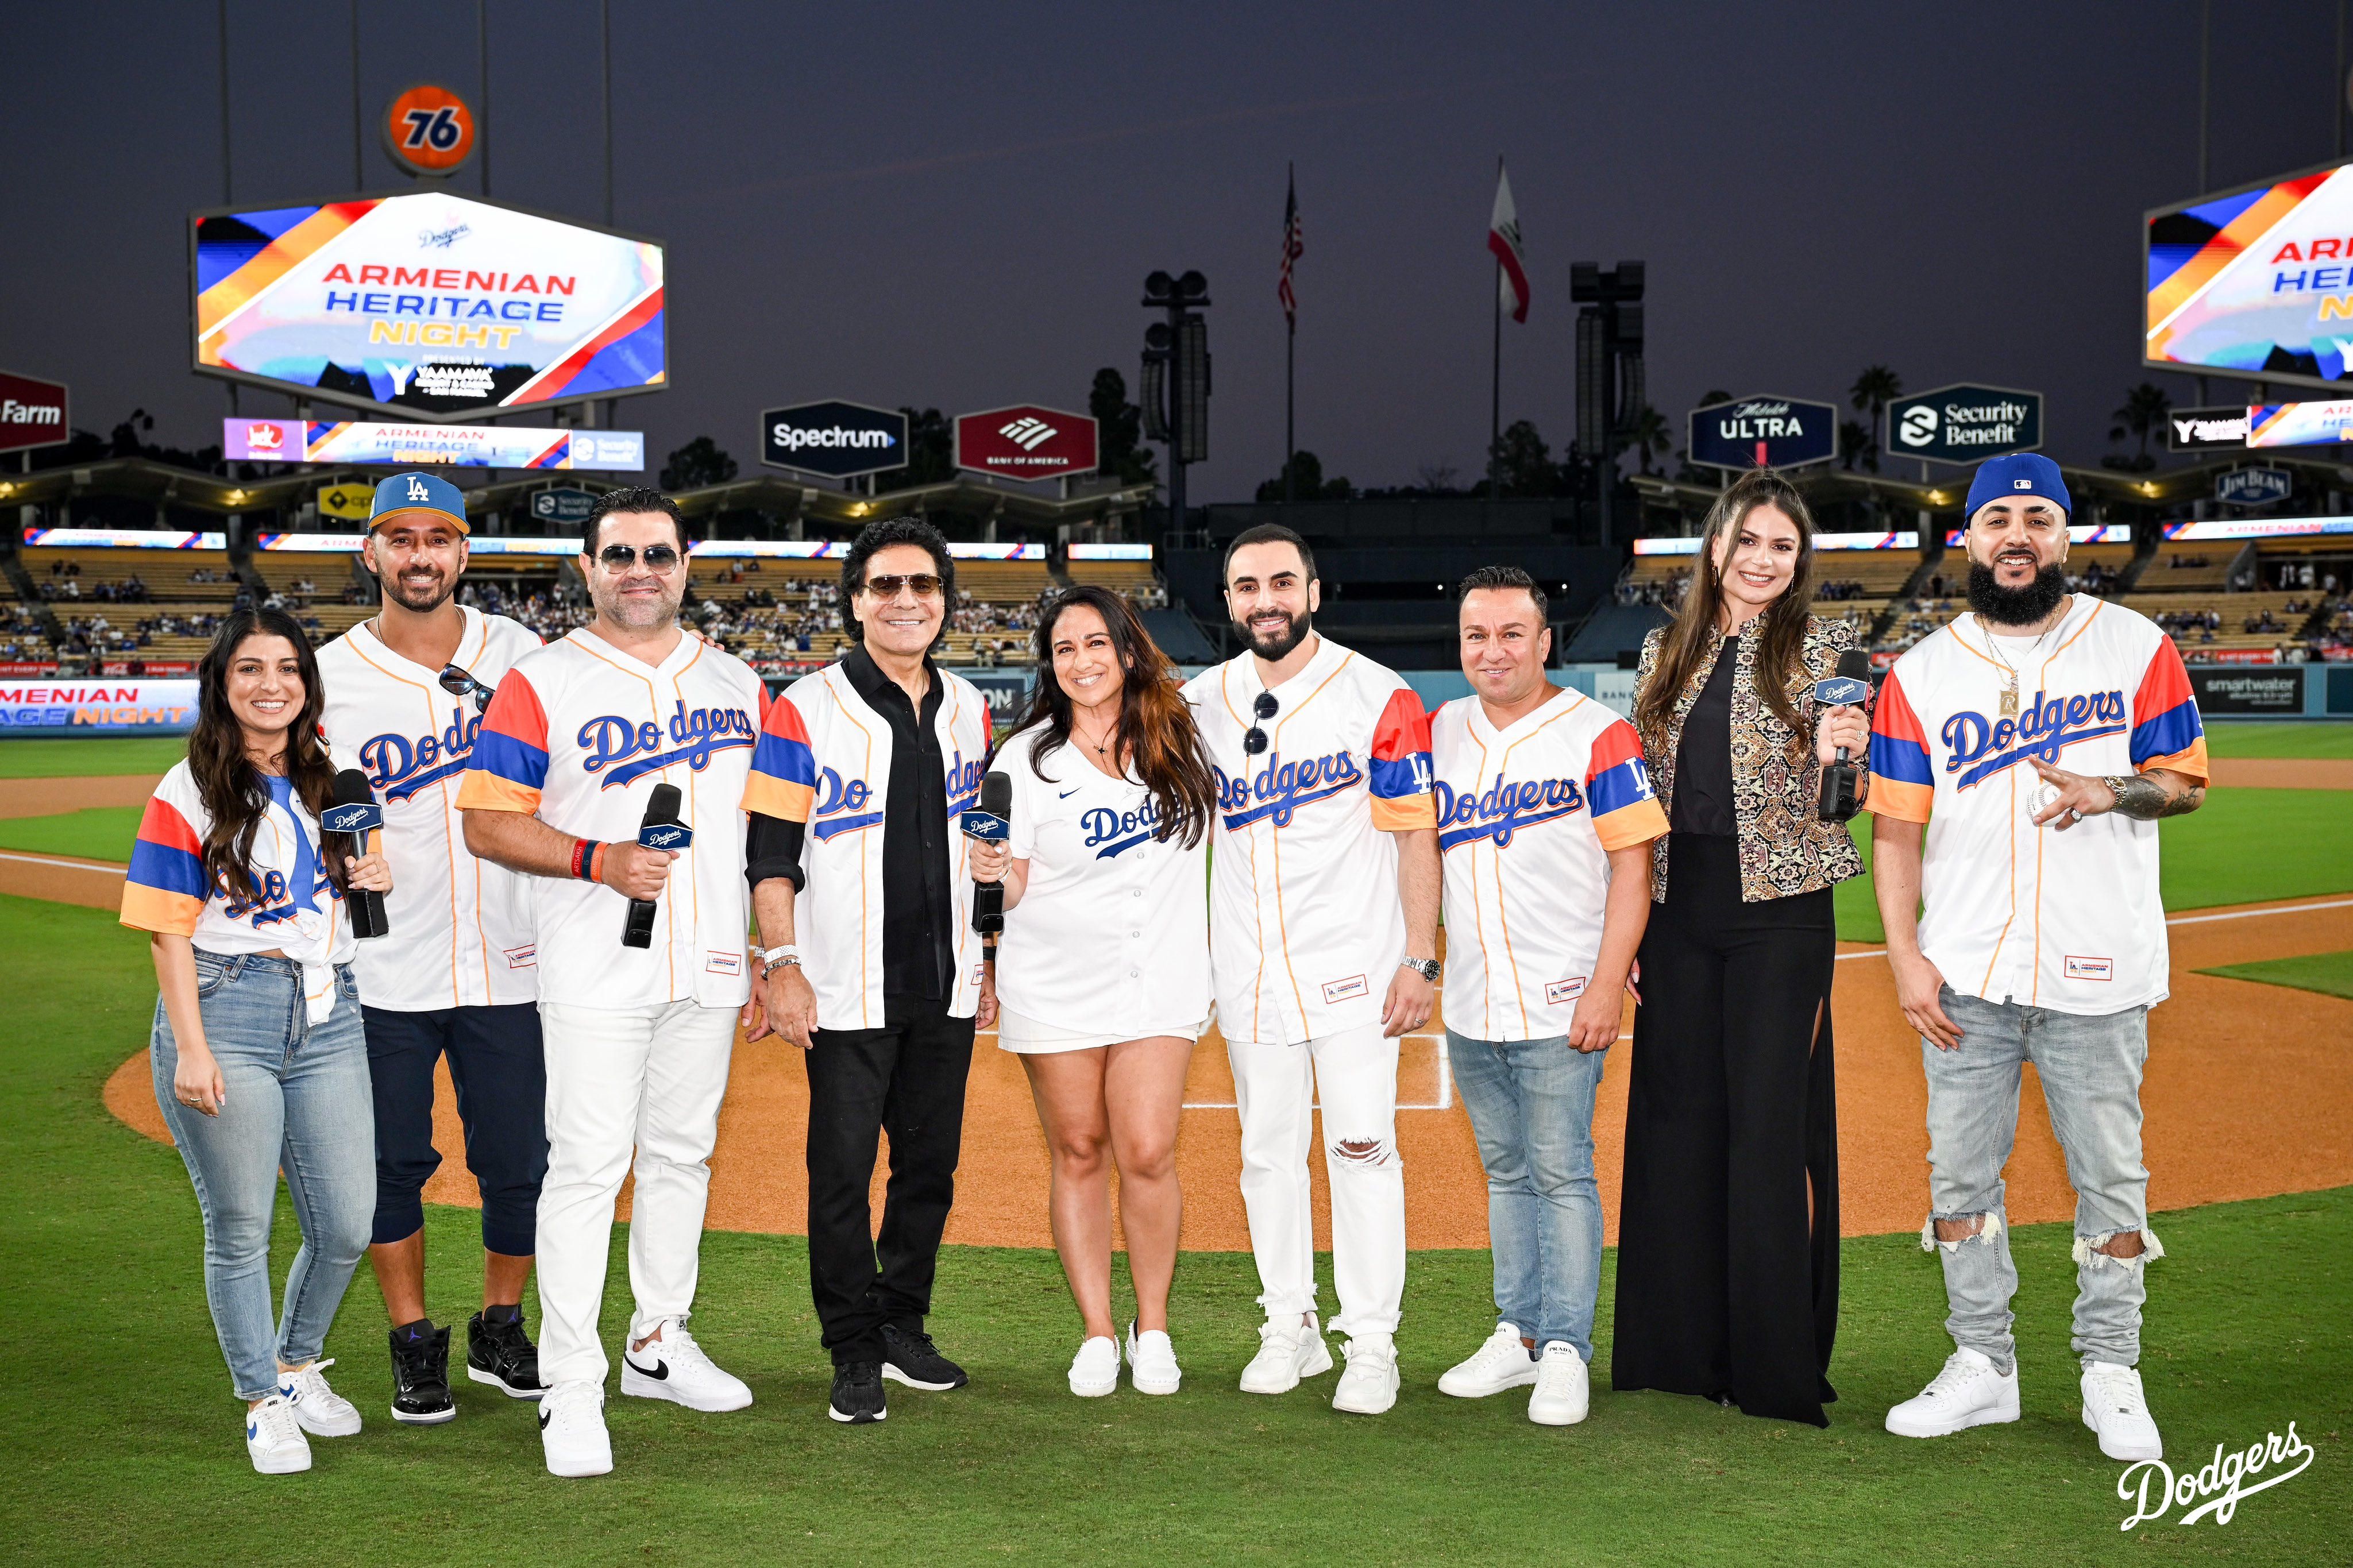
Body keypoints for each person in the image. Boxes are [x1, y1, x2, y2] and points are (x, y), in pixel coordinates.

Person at [1870, 453, 2208, 1462]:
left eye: (2039, 519)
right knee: (1958, 1178)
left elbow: (2186, 783)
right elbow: (1895, 831)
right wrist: (1904, 956)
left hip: (2096, 970)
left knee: (2112, 1180)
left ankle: (2111, 1367)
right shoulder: (1921, 675)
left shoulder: (2136, 645)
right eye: (1998, 519)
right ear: (1968, 539)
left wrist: (2118, 790)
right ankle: (1985, 1365)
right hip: (1964, 972)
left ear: (2067, 537)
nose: (2017, 535)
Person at [456, 486, 769, 1478]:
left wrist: (770, 949)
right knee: (588, 1169)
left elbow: (763, 833)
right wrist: (600, 859)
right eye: (620, 555)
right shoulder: (541, 680)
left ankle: (656, 1342)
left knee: (683, 1156)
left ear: (687, 564)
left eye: (660, 554)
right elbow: (485, 821)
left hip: (711, 959)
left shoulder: (737, 679)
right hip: (595, 961)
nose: (642, 570)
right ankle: (572, 1383)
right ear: (587, 569)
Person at [1614, 469, 1870, 1428]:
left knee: (1770, 1132)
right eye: (1748, 541)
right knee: (1679, 1129)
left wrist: (1845, 753)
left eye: (1783, 548)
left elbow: (1844, 805)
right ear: (1715, 545)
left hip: (1782, 913)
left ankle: (1774, 1364)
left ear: (1799, 563)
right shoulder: (1660, 652)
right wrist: (1632, 925)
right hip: (1681, 913)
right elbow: (1640, 798)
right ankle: (1680, 1353)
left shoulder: (1829, 651)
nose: (1762, 561)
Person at [121, 608, 395, 1474]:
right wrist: (192, 1049)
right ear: (222, 683)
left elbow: (341, 903)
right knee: (240, 1225)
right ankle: (260, 1399)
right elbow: (169, 931)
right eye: (249, 668)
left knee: (348, 1221)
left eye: (287, 667)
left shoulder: (336, 784)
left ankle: (296, 1358)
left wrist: (373, 874)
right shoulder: (187, 789)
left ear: (307, 685)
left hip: (328, 1009)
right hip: (225, 1006)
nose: (270, 683)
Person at [742, 516, 997, 1426]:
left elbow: (985, 844)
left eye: (922, 585)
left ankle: (902, 1323)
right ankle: (851, 1342)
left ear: (944, 603)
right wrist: (783, 965)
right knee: (844, 1174)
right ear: (855, 601)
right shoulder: (803, 708)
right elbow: (771, 854)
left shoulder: (971, 707)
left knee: (930, 1172)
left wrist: (990, 949)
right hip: (846, 986)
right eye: (884, 585)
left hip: (947, 980)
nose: (904, 601)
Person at [1180, 523, 1439, 1417]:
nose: (1266, 600)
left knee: (1363, 1150)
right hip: (1248, 971)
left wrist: (1418, 954)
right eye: (1247, 586)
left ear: (1315, 592)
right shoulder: (1198, 702)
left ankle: (1372, 1340)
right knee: (1265, 1157)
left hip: (1357, 969)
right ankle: (1288, 1323)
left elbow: (1415, 834)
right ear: (1228, 602)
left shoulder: (1378, 692)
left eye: (1282, 582)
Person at [317, 472, 549, 1427]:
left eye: (439, 537)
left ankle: (502, 1323)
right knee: (388, 1165)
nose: (420, 555)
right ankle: (414, 1342)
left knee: (520, 1161)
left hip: (516, 952)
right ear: (369, 552)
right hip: (384, 964)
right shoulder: (325, 675)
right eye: (399, 537)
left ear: (464, 551)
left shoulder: (525, 655)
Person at [1427, 567, 1666, 1426]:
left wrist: (1609, 983)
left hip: (1566, 996)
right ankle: (1517, 1333)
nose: (1494, 651)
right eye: (1477, 636)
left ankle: (1566, 1345)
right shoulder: (1440, 732)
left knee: (1562, 1171)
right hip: (1471, 1001)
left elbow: (1633, 867)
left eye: (1511, 634)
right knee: (1505, 1172)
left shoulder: (1598, 733)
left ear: (1544, 640)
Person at [964, 586, 1216, 1398]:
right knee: (1078, 1149)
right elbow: (1019, 881)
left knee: (1146, 1147)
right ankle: (1099, 1333)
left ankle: (1155, 1325)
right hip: (1058, 981)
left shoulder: (1184, 737)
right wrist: (994, 874)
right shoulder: (1027, 756)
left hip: (1162, 976)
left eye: (1095, 642)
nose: (1080, 660)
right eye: (1064, 648)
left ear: (1129, 649)